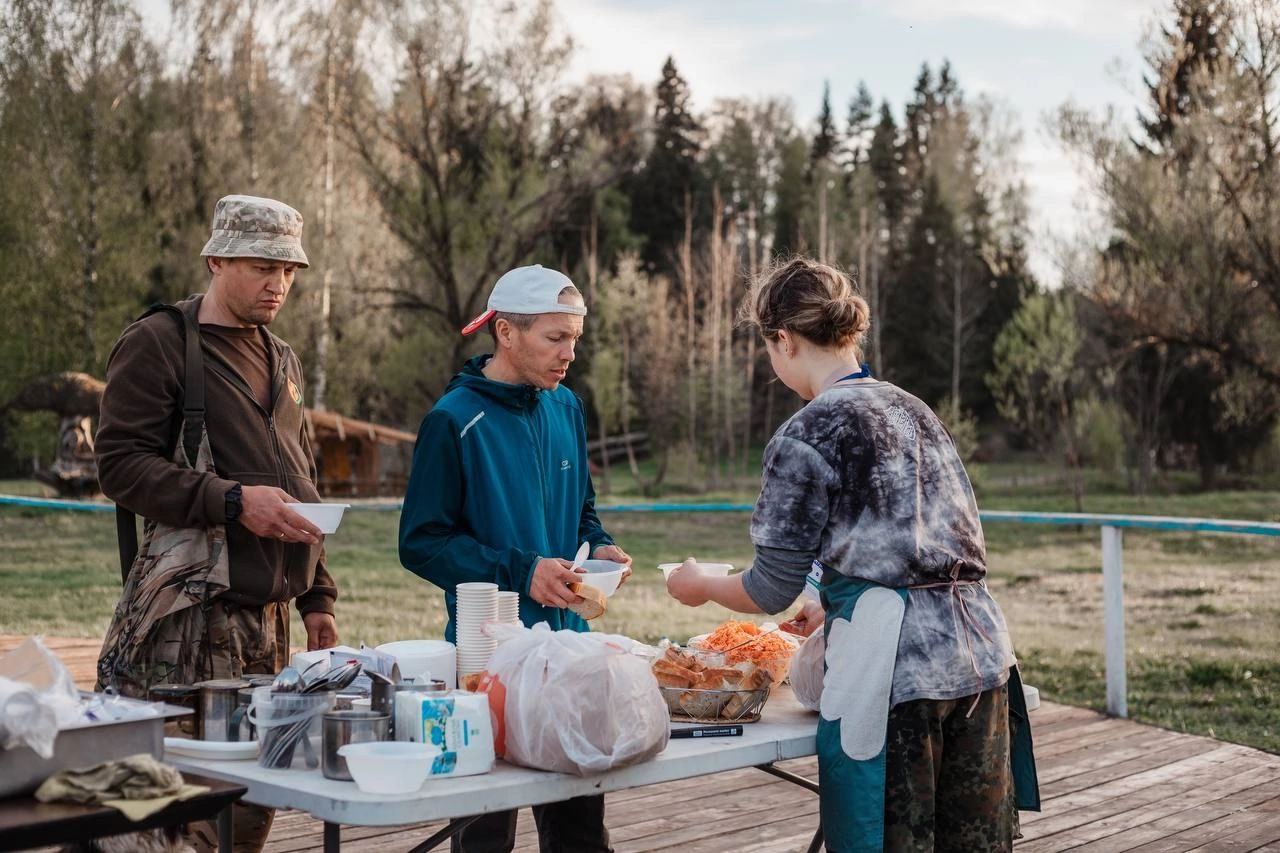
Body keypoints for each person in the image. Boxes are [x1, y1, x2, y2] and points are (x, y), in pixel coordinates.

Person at [666, 257, 1038, 852]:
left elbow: (767, 590)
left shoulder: (807, 432)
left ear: (782, 339)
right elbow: (916, 543)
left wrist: (704, 583)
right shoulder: (915, 410)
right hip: (981, 660)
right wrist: (828, 598)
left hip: (896, 675)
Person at [95, 194, 340, 852]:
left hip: (269, 626)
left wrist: (318, 596)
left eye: (289, 270)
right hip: (183, 624)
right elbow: (118, 466)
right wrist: (230, 500)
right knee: (161, 821)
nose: (278, 282)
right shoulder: (159, 343)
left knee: (247, 808)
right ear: (216, 258)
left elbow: (297, 482)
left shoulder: (283, 360)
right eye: (262, 265)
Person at [399, 264, 632, 853]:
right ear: (506, 332)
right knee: (484, 836)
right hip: (489, 663)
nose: (569, 354)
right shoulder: (452, 420)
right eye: (556, 338)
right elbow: (421, 542)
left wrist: (599, 546)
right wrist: (522, 570)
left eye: (575, 338)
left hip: (571, 656)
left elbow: (582, 511)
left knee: (580, 836)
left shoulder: (566, 408)